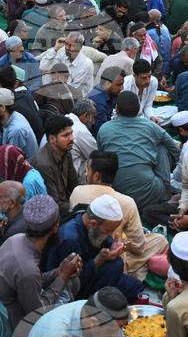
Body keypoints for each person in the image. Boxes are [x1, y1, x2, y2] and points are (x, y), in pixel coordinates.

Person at [0, 194, 82, 330]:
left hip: (11, 307)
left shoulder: (15, 239)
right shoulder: (27, 268)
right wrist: (62, 277)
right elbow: (38, 313)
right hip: (13, 326)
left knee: (71, 280)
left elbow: (32, 281)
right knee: (71, 285)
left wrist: (58, 272)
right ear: (56, 227)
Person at [70, 150, 168, 281]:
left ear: (96, 176)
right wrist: (124, 244)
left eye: (88, 170)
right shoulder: (126, 202)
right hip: (111, 257)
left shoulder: (77, 192)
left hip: (86, 256)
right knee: (160, 240)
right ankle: (130, 271)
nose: (86, 174)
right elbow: (139, 246)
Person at [47, 194, 144, 302]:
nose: (110, 234)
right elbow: (70, 280)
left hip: (96, 274)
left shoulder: (94, 224)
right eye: (109, 230)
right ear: (93, 224)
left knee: (137, 288)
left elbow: (106, 242)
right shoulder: (70, 239)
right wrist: (98, 261)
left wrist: (111, 248)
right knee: (115, 266)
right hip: (76, 287)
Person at [98, 90, 180, 212]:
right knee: (162, 146)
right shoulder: (151, 126)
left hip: (117, 194)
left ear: (117, 109)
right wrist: (173, 167)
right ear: (139, 108)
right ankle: (166, 194)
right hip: (152, 193)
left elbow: (101, 159)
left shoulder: (104, 129)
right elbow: (175, 150)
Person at [0, 87, 39, 162]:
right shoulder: (12, 116)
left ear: (3, 108)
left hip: (21, 169)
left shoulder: (16, 131)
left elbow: (12, 164)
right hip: (12, 161)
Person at [85, 66, 125, 135]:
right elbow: (103, 132)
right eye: (119, 85)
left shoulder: (111, 93)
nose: (122, 88)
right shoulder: (98, 102)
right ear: (108, 84)